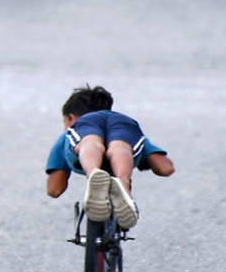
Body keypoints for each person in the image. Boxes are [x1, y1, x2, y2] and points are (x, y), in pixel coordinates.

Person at [45, 85, 174, 229]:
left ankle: (93, 172)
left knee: (89, 142)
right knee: (120, 147)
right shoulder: (119, 121)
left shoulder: (69, 133)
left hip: (87, 128)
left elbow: (55, 189)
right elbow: (165, 168)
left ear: (71, 118)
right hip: (123, 122)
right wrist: (144, 159)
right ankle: (123, 185)